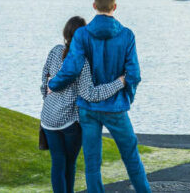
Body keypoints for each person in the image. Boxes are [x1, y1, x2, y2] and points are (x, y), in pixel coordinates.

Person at [48, 0, 151, 193]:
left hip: (88, 109)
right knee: (131, 156)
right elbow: (134, 75)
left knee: (92, 164)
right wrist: (126, 97)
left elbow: (71, 69)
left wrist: (52, 84)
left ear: (94, 5)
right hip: (116, 108)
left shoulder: (82, 35)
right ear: (115, 6)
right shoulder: (127, 35)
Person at [40, 16, 126, 193]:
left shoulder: (55, 51)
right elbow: (91, 94)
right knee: (69, 163)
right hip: (69, 122)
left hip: (47, 119)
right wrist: (120, 82)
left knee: (57, 163)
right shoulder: (82, 62)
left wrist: (50, 102)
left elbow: (44, 82)